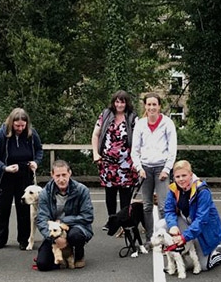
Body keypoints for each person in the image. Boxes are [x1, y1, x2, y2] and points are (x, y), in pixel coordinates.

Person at [0, 108, 43, 250]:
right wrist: (4, 167)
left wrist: (36, 162)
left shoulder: (31, 133)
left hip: (24, 173)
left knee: (24, 207)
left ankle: (24, 239)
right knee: (3, 208)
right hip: (6, 175)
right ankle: (1, 239)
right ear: (11, 123)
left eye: (22, 126)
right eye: (17, 126)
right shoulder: (1, 134)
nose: (20, 129)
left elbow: (39, 150)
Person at [131, 92, 177, 241]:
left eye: (154, 104)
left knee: (164, 206)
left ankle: (166, 237)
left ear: (159, 106)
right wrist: (139, 168)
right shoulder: (140, 124)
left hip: (161, 168)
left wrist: (167, 169)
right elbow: (135, 150)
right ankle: (150, 237)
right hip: (145, 169)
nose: (151, 107)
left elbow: (172, 148)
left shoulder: (167, 123)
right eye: (149, 104)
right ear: (145, 106)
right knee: (147, 206)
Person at [164, 160, 221, 271]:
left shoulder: (202, 190)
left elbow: (201, 220)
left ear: (191, 175)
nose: (181, 179)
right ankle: (181, 256)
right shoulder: (173, 189)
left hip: (205, 230)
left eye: (184, 175)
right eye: (177, 176)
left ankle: (217, 251)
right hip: (188, 224)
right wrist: (173, 225)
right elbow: (169, 210)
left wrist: (184, 237)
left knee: (204, 267)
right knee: (162, 224)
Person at [91, 90, 139, 231]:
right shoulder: (105, 115)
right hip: (107, 161)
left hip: (126, 162)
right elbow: (95, 135)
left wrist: (137, 161)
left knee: (125, 194)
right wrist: (95, 153)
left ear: (126, 103)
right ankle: (111, 221)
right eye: (117, 101)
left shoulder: (132, 117)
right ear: (113, 102)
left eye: (122, 102)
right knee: (110, 193)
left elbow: (139, 139)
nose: (119, 104)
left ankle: (124, 222)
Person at [35, 160, 94, 271]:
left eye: (64, 175)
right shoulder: (44, 193)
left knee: (75, 235)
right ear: (52, 175)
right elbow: (41, 219)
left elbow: (88, 216)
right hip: (55, 231)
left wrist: (62, 221)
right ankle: (62, 253)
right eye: (57, 175)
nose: (61, 179)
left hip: (76, 227)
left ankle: (79, 254)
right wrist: (55, 239)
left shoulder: (82, 190)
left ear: (70, 173)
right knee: (42, 264)